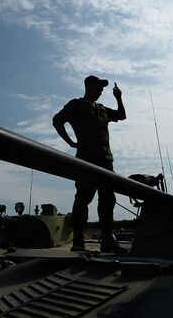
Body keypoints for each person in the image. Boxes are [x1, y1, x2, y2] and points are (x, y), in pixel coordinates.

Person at [53, 75, 127, 253]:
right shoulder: (76, 105)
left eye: (102, 89)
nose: (100, 91)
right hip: (87, 159)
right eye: (98, 87)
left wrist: (118, 97)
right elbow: (57, 120)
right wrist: (71, 143)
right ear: (88, 86)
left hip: (106, 160)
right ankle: (78, 241)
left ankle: (107, 240)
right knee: (84, 199)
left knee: (108, 200)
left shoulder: (102, 109)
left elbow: (122, 116)